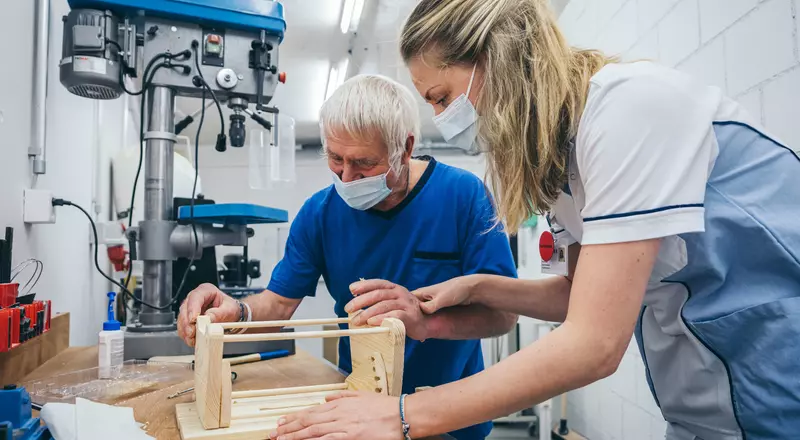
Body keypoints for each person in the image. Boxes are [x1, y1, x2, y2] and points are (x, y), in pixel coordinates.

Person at [269, 0, 800, 439]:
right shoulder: (568, 161)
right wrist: (474, 286)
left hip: (774, 385)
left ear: (495, 60)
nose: (441, 118)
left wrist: (404, 416)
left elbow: (594, 344)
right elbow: (575, 295)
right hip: (706, 404)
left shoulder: (629, 108)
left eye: (442, 97)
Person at [177, 74, 518, 440]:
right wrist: (238, 313)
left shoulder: (464, 196)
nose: (347, 177)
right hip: (356, 411)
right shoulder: (319, 213)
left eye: (364, 163)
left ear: (405, 148)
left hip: (450, 416)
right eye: (335, 158)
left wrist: (425, 320)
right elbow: (277, 305)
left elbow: (502, 316)